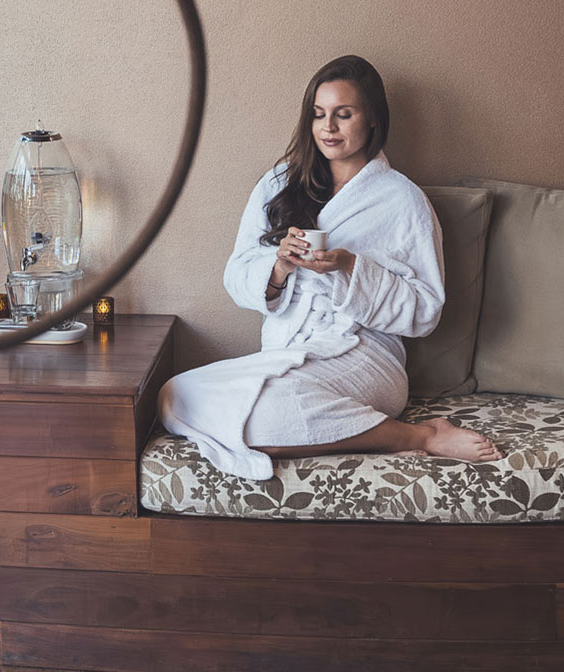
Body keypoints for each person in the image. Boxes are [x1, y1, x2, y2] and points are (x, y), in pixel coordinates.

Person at [158, 54, 501, 480]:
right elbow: (236, 272)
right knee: (176, 395)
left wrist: (350, 268)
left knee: (262, 414)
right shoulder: (279, 183)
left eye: (344, 114)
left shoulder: (402, 201)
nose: (328, 127)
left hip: (364, 354)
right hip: (289, 349)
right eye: (319, 114)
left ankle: (420, 436)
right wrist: (279, 268)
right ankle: (301, 411)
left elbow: (426, 310)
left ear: (372, 119)